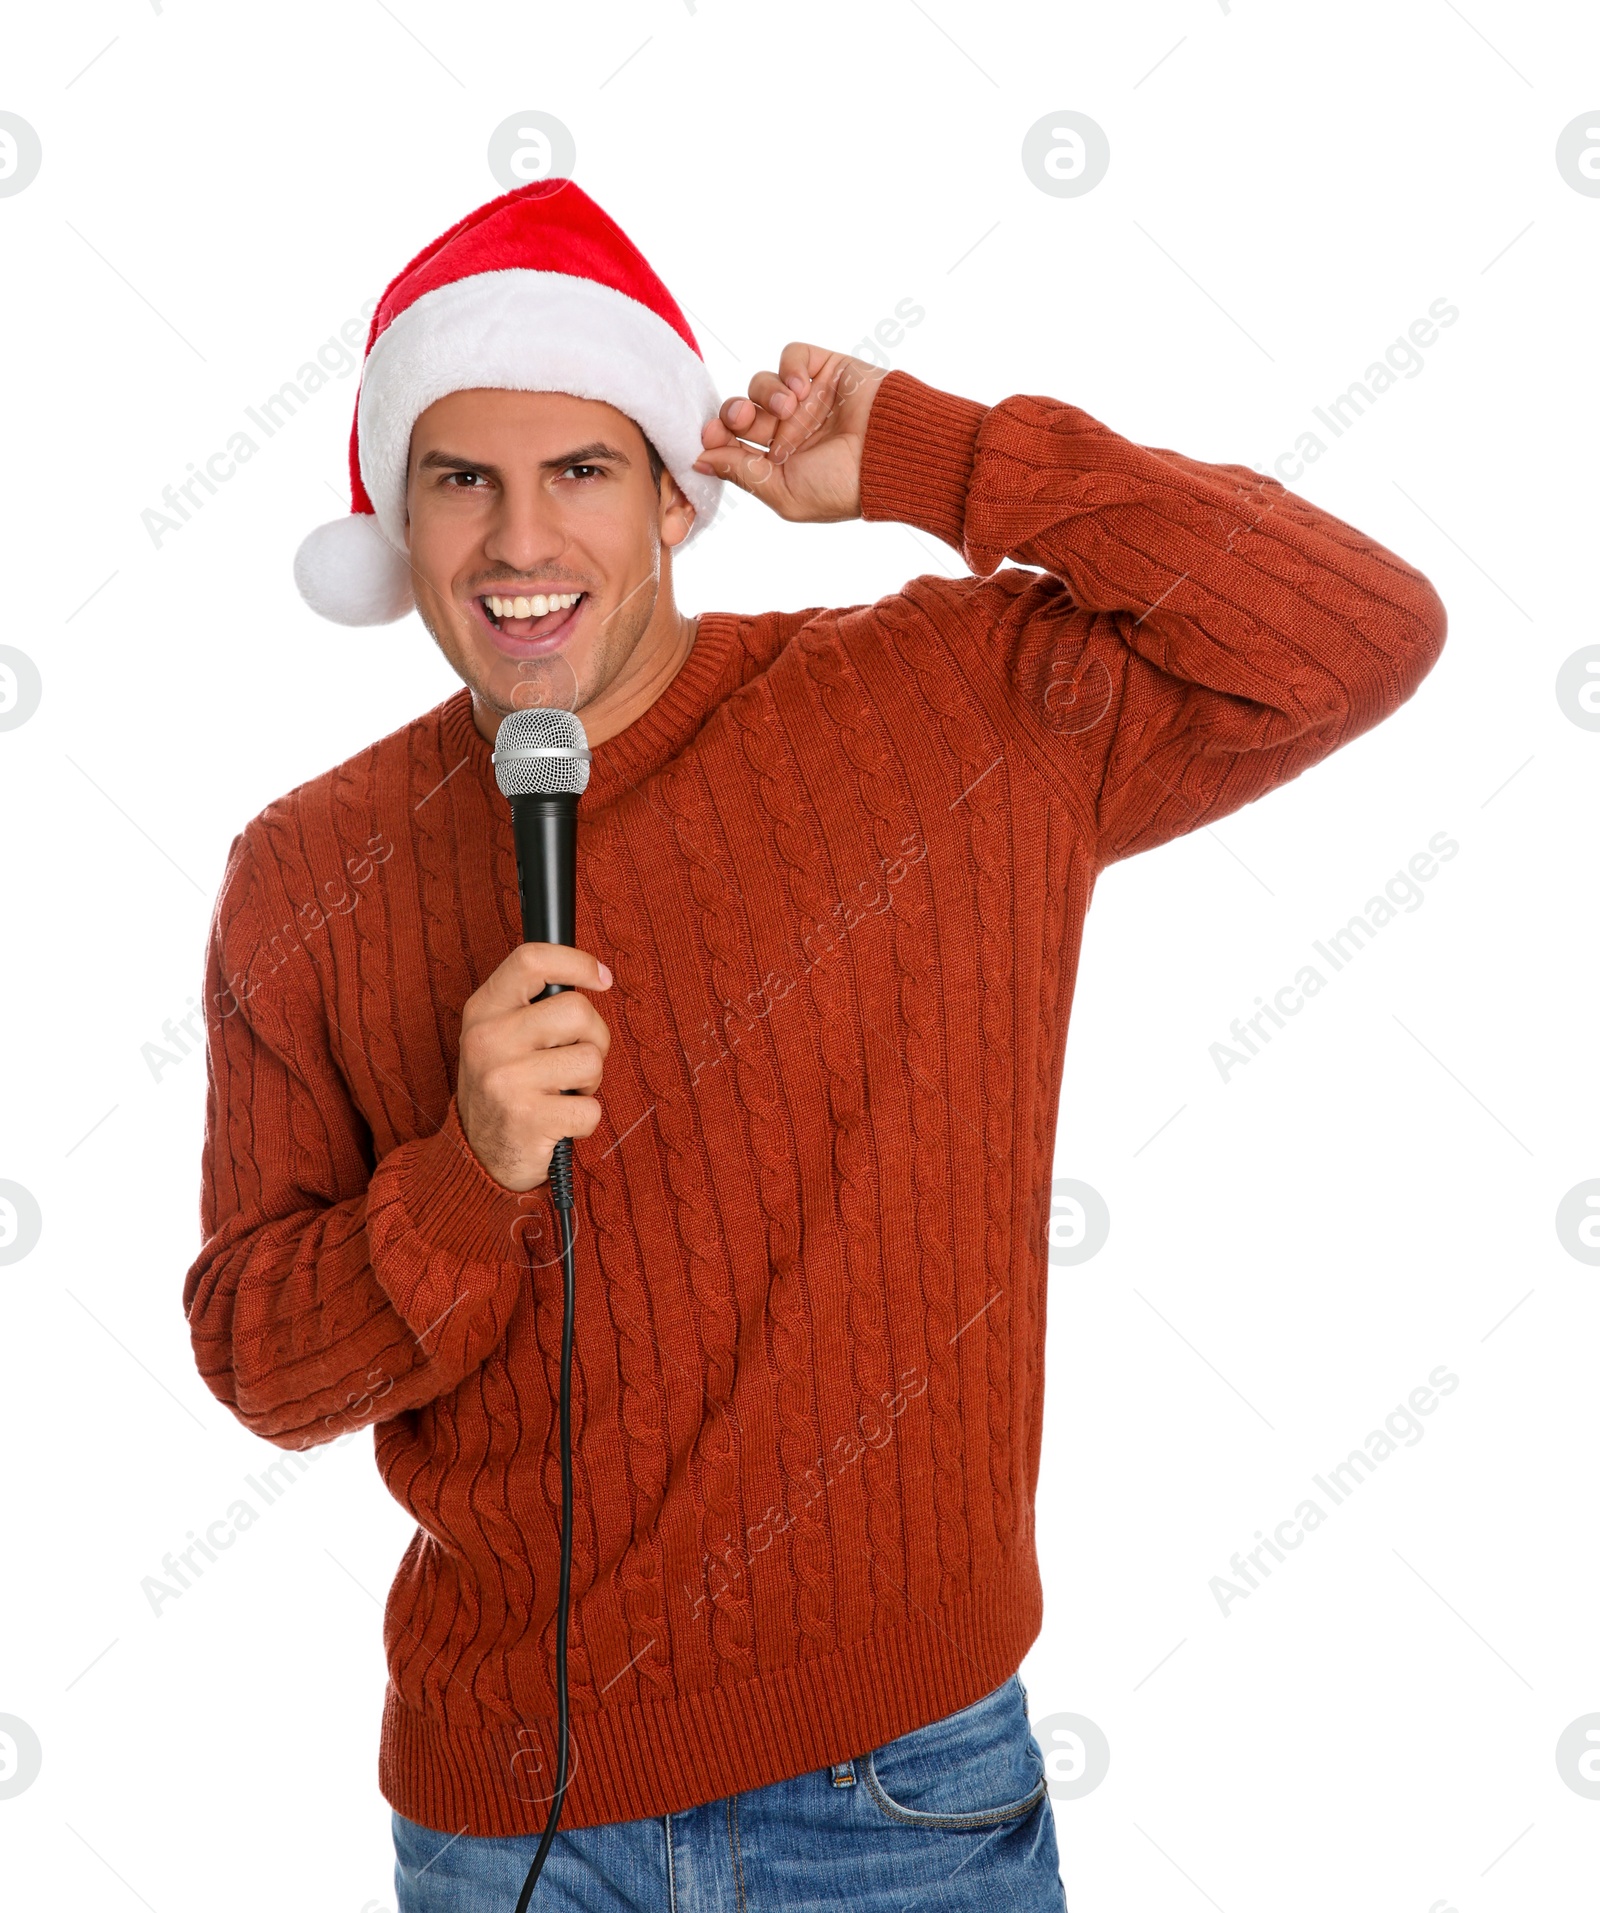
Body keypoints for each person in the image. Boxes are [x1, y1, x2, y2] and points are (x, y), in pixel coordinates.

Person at [183, 178, 1447, 1911]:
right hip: (506, 1825)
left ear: (678, 504)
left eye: (583, 471)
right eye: (461, 479)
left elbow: (1354, 631)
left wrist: (947, 459)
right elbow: (263, 1365)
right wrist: (463, 1179)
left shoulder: (945, 710)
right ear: (396, 522)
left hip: (899, 1796)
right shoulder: (308, 871)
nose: (521, 543)